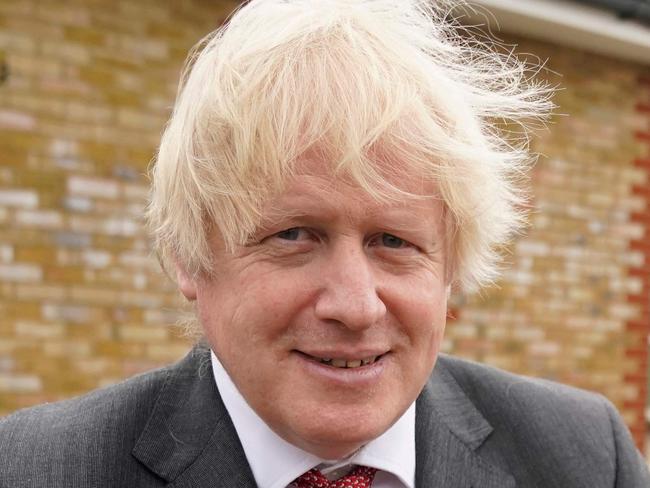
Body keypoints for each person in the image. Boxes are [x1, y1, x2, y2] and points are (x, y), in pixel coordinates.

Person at [1, 0, 649, 486]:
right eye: (294, 235)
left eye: (393, 240)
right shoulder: (33, 469)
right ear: (188, 253)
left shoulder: (584, 458)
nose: (356, 305)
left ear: (450, 263)